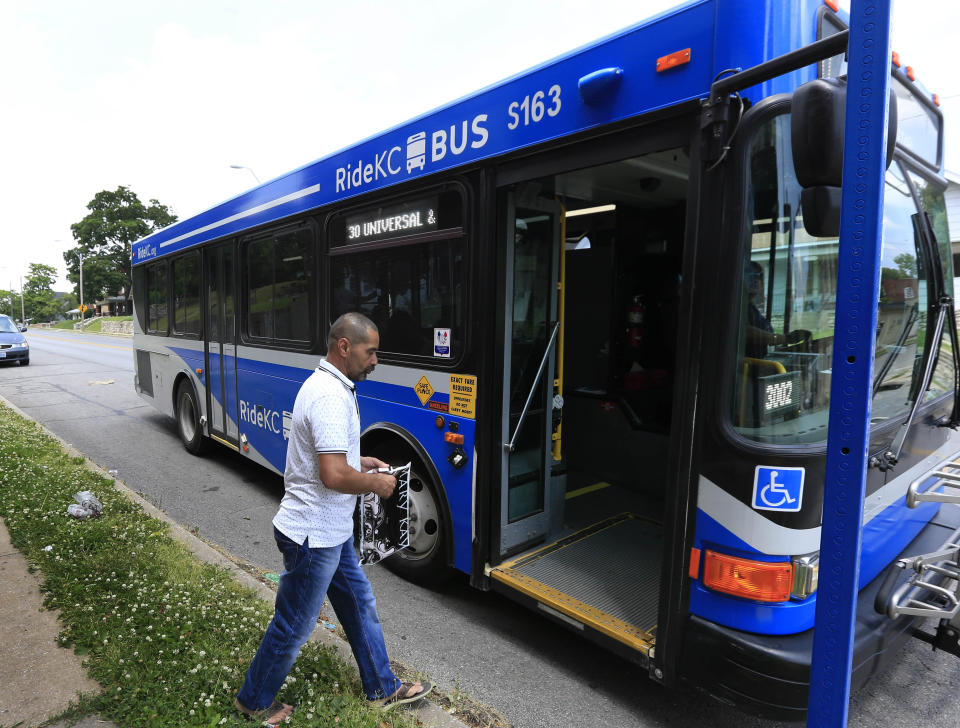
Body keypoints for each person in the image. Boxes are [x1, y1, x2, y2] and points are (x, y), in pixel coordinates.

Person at [235, 312, 432, 725]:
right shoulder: (328, 395)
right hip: (313, 535)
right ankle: (253, 701)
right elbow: (332, 475)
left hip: (332, 531)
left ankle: (382, 686)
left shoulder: (335, 386)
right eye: (371, 351)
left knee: (359, 604)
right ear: (345, 347)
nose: (376, 359)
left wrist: (360, 459)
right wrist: (375, 484)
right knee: (295, 624)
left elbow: (329, 457)